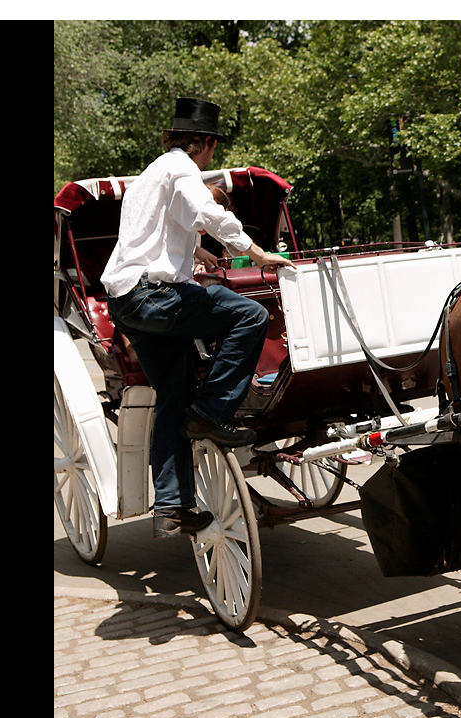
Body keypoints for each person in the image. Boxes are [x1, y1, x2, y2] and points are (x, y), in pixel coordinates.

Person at [101, 97, 294, 539]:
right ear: (205, 143)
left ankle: (171, 507)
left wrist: (198, 250)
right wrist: (256, 252)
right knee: (249, 315)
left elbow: (158, 232)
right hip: (154, 295)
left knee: (173, 395)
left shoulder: (151, 175)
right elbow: (206, 211)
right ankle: (211, 411)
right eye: (212, 148)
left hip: (127, 302)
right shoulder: (182, 168)